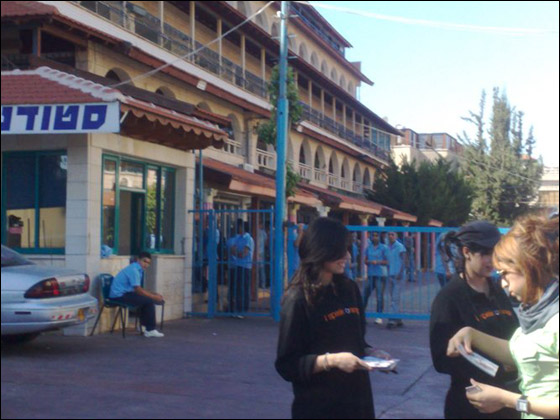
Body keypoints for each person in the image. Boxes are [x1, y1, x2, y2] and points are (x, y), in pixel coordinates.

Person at [275, 217, 392, 419]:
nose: (347, 255)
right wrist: (331, 361)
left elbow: (356, 341)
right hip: (319, 407)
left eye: (347, 249)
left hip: (357, 403)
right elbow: (288, 365)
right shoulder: (298, 299)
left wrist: (371, 353)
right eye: (340, 250)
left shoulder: (349, 289)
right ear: (321, 250)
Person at [447, 214, 559, 419]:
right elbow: (521, 352)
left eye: (505, 273)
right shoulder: (536, 311)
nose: (503, 283)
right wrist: (472, 335)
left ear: (529, 267)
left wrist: (507, 399)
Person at [429, 221, 520, 419]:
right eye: (486, 254)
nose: (492, 261)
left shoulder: (499, 291)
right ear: (467, 252)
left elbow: (515, 335)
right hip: (471, 405)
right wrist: (496, 368)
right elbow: (441, 359)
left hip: (507, 401)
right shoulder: (449, 297)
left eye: (496, 254)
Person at [109, 251, 165, 338]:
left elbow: (138, 289)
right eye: (144, 261)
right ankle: (150, 330)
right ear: (138, 260)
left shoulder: (138, 269)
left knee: (145, 299)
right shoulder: (134, 270)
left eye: (148, 263)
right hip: (118, 296)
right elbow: (138, 290)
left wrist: (153, 293)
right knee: (149, 301)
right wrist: (154, 297)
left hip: (124, 293)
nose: (146, 264)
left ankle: (143, 326)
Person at [227, 219, 254, 317]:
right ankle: (237, 309)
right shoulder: (238, 238)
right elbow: (233, 250)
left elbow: (244, 253)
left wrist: (237, 253)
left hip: (245, 266)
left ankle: (243, 310)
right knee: (238, 289)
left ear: (241, 227)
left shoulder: (248, 238)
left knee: (243, 288)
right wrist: (238, 253)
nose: (235, 228)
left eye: (237, 226)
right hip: (238, 265)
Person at [363, 232, 388, 325]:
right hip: (371, 274)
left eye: (376, 236)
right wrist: (368, 261)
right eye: (373, 236)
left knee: (379, 296)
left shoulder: (384, 248)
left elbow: (387, 261)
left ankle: (379, 316)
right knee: (365, 294)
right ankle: (362, 314)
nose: (374, 237)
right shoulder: (368, 248)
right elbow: (365, 260)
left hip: (380, 274)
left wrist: (377, 262)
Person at [386, 231, 407, 328]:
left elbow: (404, 260)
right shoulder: (387, 247)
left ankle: (391, 319)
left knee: (395, 298)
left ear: (396, 236)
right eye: (389, 234)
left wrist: (401, 272)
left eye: (392, 234)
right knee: (393, 298)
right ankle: (398, 319)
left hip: (398, 275)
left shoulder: (400, 246)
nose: (390, 236)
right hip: (390, 274)